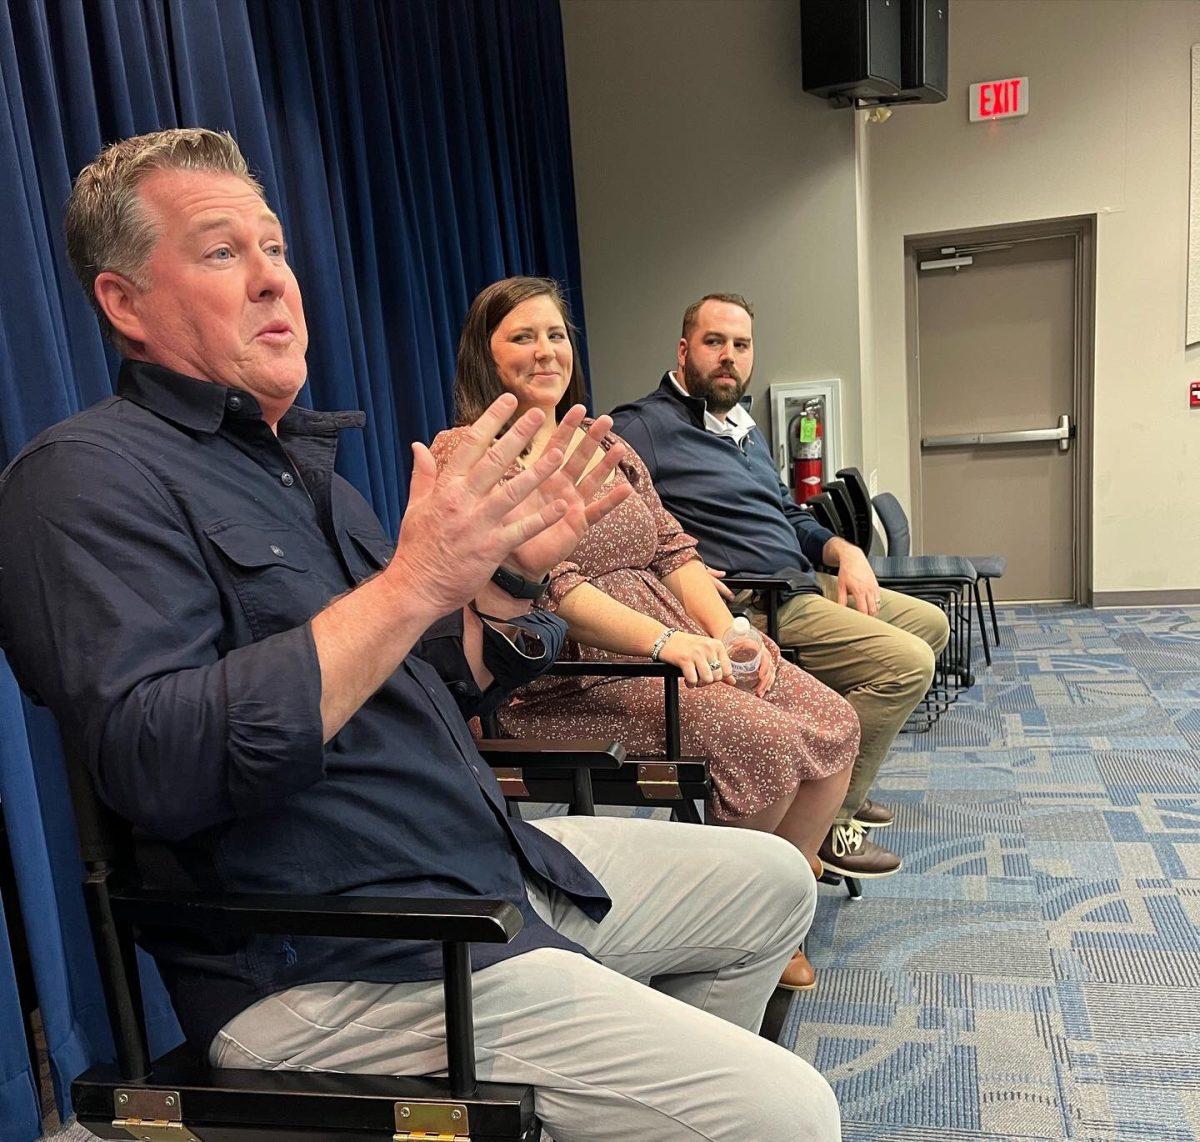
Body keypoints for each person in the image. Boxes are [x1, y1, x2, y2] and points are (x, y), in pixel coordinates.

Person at [0, 130, 841, 1141]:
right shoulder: (82, 481)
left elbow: (435, 683)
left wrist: (508, 585)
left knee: (772, 883)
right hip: (346, 954)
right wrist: (413, 582)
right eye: (224, 252)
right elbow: (159, 759)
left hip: (482, 864)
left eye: (275, 247)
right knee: (788, 1111)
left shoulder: (302, 471)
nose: (274, 279)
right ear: (123, 302)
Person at [431, 276, 860, 992]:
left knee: (834, 719)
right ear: (485, 353)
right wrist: (668, 645)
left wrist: (729, 631)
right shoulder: (469, 453)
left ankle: (776, 909)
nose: (546, 351)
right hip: (567, 677)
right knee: (771, 742)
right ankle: (733, 918)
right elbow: (554, 589)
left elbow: (672, 549)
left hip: (674, 641)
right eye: (523, 336)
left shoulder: (600, 443)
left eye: (556, 334)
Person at [611, 293, 952, 879]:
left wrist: (842, 549)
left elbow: (790, 516)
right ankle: (832, 824)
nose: (729, 358)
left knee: (932, 623)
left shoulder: (745, 428)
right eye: (715, 342)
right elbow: (615, 519)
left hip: (802, 581)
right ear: (684, 349)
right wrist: (675, 567)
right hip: (754, 600)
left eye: (741, 346)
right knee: (907, 663)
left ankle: (837, 768)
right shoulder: (641, 426)